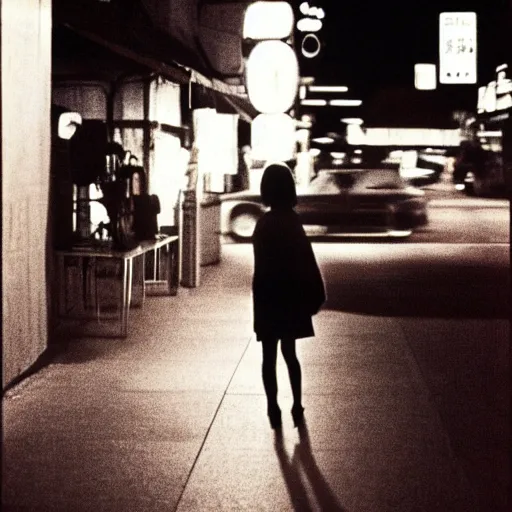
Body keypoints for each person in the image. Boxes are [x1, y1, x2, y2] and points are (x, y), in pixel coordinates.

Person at [252, 162, 326, 429]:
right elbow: (306, 259)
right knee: (290, 353)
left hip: (267, 297)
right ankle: (297, 403)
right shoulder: (293, 222)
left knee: (268, 356)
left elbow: (259, 264)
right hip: (289, 296)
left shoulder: (262, 224)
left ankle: (272, 405)